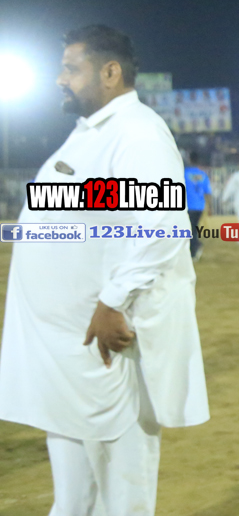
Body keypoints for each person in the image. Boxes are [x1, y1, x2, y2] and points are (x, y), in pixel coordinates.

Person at [0, 25, 209, 516]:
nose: (60, 79)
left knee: (121, 496)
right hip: (69, 353)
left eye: (71, 69)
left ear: (110, 72)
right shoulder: (89, 133)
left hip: (107, 346)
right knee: (74, 500)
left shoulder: (137, 133)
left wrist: (114, 300)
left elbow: (163, 225)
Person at [184, 151, 212, 261]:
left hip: (188, 205)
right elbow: (208, 192)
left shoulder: (184, 173)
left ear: (189, 159)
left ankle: (195, 248)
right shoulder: (203, 175)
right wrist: (210, 207)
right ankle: (194, 248)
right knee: (193, 228)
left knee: (189, 229)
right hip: (200, 206)